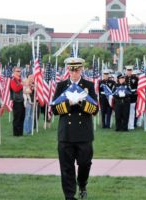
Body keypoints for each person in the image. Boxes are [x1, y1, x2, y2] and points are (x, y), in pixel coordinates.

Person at [51, 57, 98, 200]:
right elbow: (54, 109)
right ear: (68, 70)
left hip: (83, 133)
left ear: (81, 69)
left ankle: (82, 183)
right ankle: (69, 196)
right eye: (71, 69)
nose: (74, 72)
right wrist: (69, 103)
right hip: (66, 134)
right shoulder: (62, 86)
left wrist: (82, 102)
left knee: (84, 164)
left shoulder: (88, 86)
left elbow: (95, 109)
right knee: (66, 168)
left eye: (76, 69)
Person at [10, 66, 25, 136]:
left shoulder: (20, 80)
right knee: (17, 118)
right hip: (16, 101)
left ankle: (20, 133)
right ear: (14, 72)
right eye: (17, 71)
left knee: (22, 117)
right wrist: (22, 85)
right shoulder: (13, 80)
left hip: (22, 101)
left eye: (20, 71)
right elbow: (15, 89)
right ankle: (16, 133)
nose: (19, 72)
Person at [125, 65, 138, 130]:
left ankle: (131, 125)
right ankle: (126, 124)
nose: (129, 72)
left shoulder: (135, 78)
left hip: (133, 97)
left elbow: (137, 87)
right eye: (128, 70)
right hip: (126, 97)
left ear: (132, 71)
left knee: (132, 112)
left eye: (130, 70)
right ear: (126, 71)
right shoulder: (124, 78)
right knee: (126, 112)